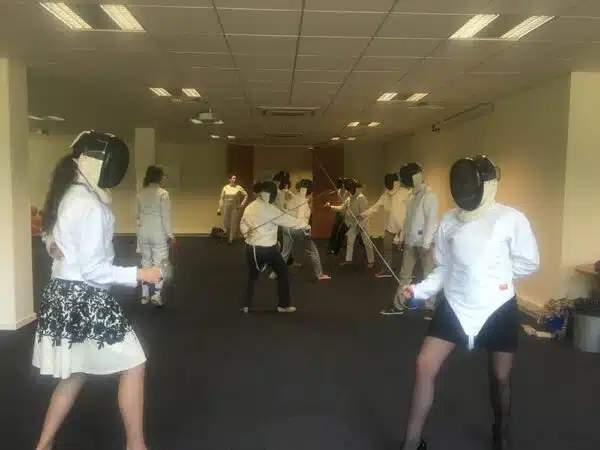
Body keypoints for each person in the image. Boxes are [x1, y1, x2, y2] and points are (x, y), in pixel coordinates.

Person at [398, 155, 540, 450]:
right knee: (424, 364)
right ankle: (411, 443)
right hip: (455, 304)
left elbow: (528, 262)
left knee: (500, 377)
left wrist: (494, 278)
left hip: (498, 308)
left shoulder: (510, 218)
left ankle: (500, 432)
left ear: (487, 184)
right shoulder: (450, 220)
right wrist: (419, 290)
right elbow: (444, 267)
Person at [32, 131, 162, 450]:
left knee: (75, 373)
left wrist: (53, 246)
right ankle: (136, 445)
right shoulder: (89, 204)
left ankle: (43, 446)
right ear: (96, 163)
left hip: (61, 294)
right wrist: (141, 274)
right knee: (134, 362)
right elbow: (93, 270)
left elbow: (49, 235)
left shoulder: (67, 193)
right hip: (84, 297)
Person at [239, 180, 311, 313]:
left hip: (250, 248)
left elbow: (242, 223)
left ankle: (246, 305)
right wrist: (306, 225)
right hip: (268, 250)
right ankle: (283, 305)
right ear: (270, 195)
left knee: (252, 276)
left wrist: (245, 232)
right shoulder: (270, 209)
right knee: (282, 273)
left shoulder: (250, 206)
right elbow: (289, 221)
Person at [381, 163, 439, 316]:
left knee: (428, 275)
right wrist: (401, 236)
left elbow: (432, 222)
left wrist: (426, 244)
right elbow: (408, 220)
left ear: (416, 177)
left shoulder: (430, 196)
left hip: (426, 244)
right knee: (404, 275)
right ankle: (398, 305)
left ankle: (430, 307)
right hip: (411, 242)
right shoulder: (412, 196)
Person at [273, 179, 331, 281]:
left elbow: (288, 211)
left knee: (285, 254)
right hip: (297, 230)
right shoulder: (303, 202)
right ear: (309, 190)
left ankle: (274, 274)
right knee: (313, 251)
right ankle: (320, 275)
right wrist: (307, 229)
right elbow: (300, 220)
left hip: (286, 229)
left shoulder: (293, 198)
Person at [136, 165, 175, 307]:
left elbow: (138, 218)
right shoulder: (163, 194)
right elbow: (165, 216)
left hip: (143, 232)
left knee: (145, 263)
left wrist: (138, 240)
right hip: (158, 233)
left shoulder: (140, 193)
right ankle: (156, 295)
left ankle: (144, 295)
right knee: (160, 265)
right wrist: (170, 235)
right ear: (158, 177)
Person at [359, 171, 409, 278]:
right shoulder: (386, 195)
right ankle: (387, 270)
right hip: (390, 226)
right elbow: (375, 207)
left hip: (404, 227)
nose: (387, 184)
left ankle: (408, 272)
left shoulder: (404, 193)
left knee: (409, 251)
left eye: (389, 182)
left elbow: (412, 207)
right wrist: (363, 214)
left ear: (395, 182)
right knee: (386, 248)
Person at [326, 178, 374, 268]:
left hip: (363, 223)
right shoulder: (350, 198)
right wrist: (330, 207)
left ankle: (371, 261)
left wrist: (360, 224)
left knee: (367, 242)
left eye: (349, 188)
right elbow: (341, 207)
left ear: (354, 187)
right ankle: (348, 260)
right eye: (347, 188)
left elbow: (365, 214)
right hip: (354, 223)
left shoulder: (361, 198)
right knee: (350, 241)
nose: (348, 190)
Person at [217, 174, 248, 244]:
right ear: (230, 179)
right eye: (233, 178)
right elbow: (221, 198)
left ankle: (230, 239)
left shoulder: (238, 187)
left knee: (233, 222)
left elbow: (246, 195)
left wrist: (242, 204)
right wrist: (219, 208)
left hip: (235, 207)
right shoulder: (225, 188)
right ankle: (227, 231)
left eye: (235, 178)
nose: (234, 179)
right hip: (226, 206)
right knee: (225, 221)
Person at [327, 177, 350, 255]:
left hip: (346, 214)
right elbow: (335, 191)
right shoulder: (339, 190)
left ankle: (338, 247)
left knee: (341, 232)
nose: (340, 185)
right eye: (339, 183)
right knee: (334, 229)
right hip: (339, 213)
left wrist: (330, 206)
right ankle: (331, 247)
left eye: (341, 183)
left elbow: (342, 207)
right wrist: (329, 193)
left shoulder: (348, 193)